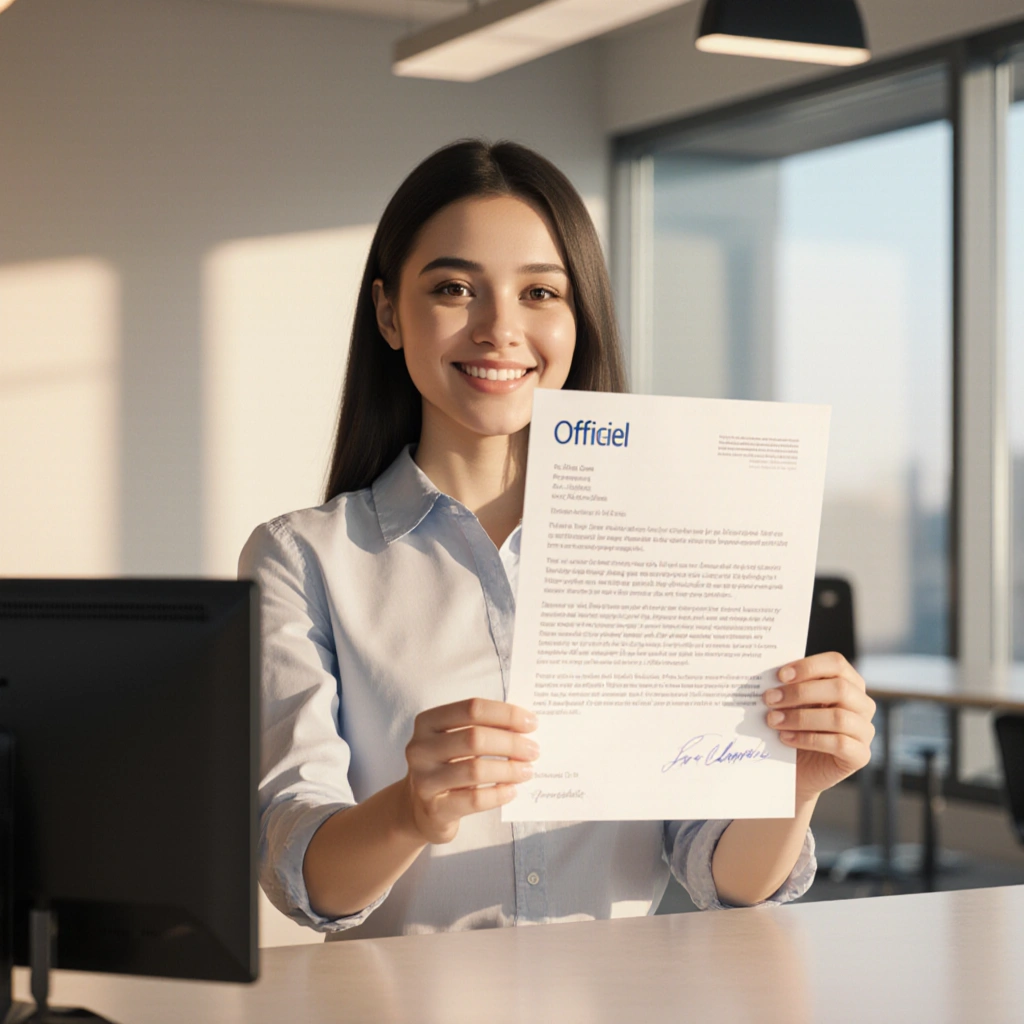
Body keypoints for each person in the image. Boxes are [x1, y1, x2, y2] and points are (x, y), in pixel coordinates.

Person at [240, 139, 877, 939]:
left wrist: (798, 784)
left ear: (579, 321)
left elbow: (721, 873)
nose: (500, 328)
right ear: (388, 314)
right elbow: (301, 873)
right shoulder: (303, 559)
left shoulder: (666, 549)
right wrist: (410, 808)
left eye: (541, 291)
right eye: (453, 288)